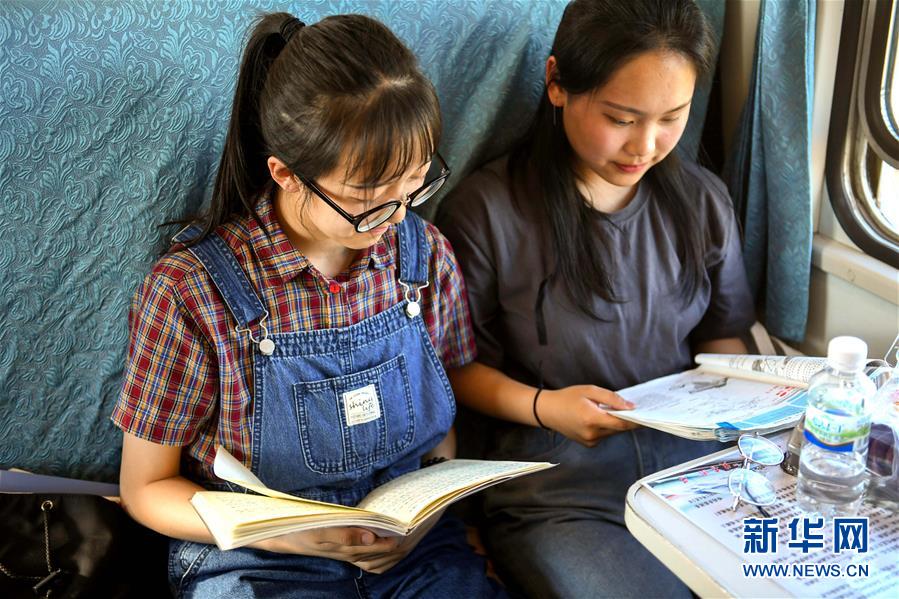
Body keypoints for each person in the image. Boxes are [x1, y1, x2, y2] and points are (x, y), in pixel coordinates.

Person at [111, 12, 503, 598]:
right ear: (287, 174)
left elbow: (440, 417)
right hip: (257, 559)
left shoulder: (424, 258)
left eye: (414, 184)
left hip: (412, 551)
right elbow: (146, 489)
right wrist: (299, 536)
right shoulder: (191, 292)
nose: (397, 217)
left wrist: (425, 508)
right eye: (366, 200)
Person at [436, 0, 755, 597]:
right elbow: (452, 368)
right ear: (557, 83)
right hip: (556, 483)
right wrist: (546, 408)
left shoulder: (702, 199)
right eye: (622, 117)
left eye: (673, 117)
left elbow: (721, 338)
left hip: (695, 471)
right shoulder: (486, 211)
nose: (648, 144)